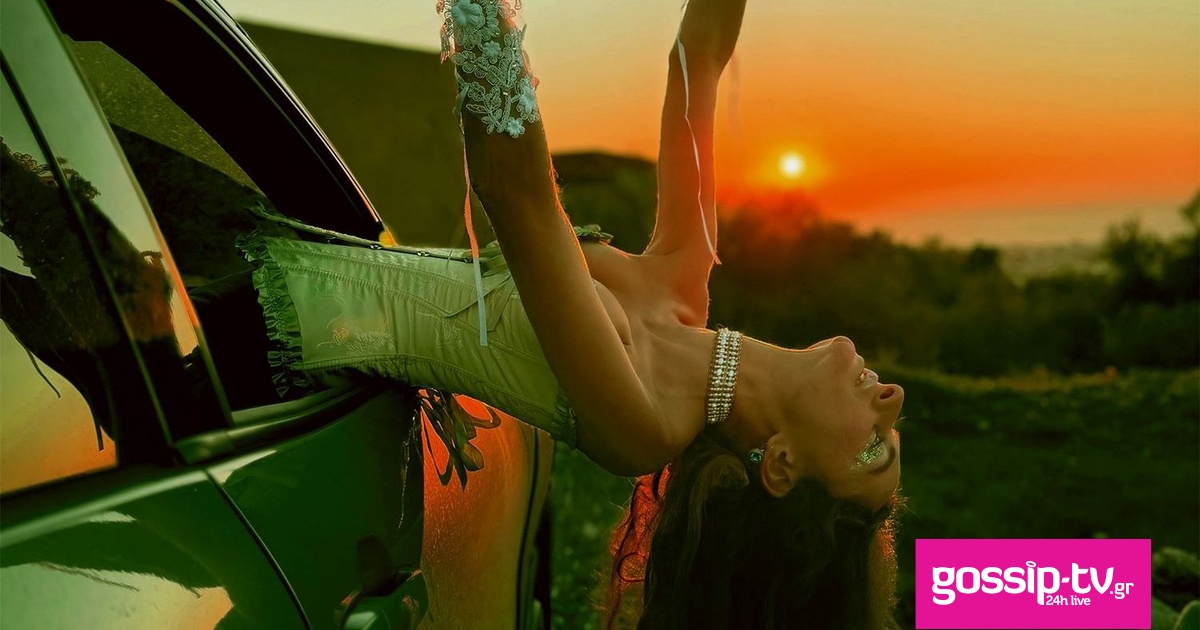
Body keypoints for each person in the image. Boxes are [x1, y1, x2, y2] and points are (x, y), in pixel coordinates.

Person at [238, 0, 905, 626]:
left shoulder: (643, 425)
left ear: (781, 464)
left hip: (242, 353)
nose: (893, 401)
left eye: (874, 448)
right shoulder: (684, 284)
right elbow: (697, 57)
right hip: (255, 267)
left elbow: (515, 188)